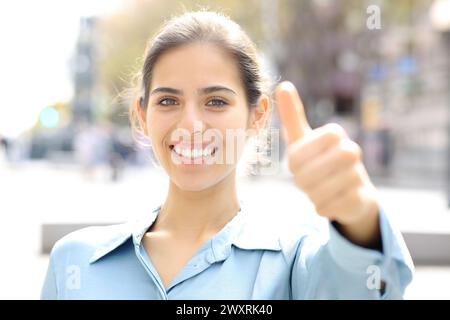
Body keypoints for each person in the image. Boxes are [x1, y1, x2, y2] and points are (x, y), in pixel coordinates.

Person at [41, 11, 413, 299]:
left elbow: (366, 287)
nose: (190, 124)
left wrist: (358, 218)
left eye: (216, 101)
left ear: (258, 115)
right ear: (141, 115)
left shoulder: (298, 262)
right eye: (168, 100)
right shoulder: (74, 261)